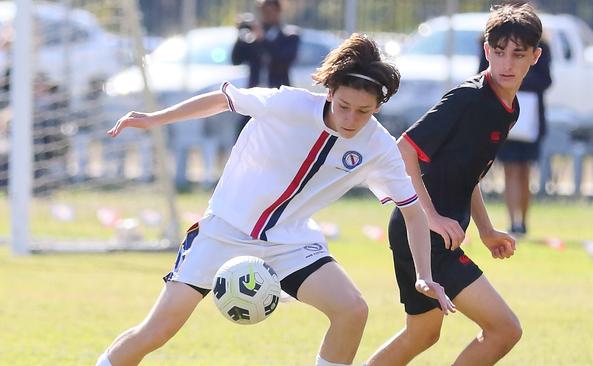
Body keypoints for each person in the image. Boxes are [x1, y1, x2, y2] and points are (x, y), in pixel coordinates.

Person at [96, 34, 454, 366]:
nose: (351, 119)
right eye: (345, 105)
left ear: (377, 107)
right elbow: (224, 98)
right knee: (157, 331)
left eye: (364, 111)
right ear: (330, 91)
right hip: (223, 231)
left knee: (352, 311)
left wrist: (424, 275)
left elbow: (412, 211)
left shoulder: (378, 146)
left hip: (290, 242)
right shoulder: (288, 103)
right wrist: (154, 119)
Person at [367, 3, 543, 365]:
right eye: (498, 52)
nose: (506, 63)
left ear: (535, 57)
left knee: (422, 334)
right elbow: (404, 149)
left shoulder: (508, 107)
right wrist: (430, 217)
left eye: (517, 54)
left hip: (426, 230)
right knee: (504, 329)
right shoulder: (470, 97)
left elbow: (469, 174)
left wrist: (487, 229)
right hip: (424, 234)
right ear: (486, 51)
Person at [479, 36, 552, 236]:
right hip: (503, 113)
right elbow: (482, 75)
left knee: (525, 170)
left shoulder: (540, 44)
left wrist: (516, 77)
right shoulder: (490, 41)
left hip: (531, 120)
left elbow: (545, 80)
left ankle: (524, 221)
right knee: (510, 169)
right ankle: (513, 222)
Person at [231, 0, 300, 134]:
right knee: (243, 133)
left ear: (278, 11)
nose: (267, 15)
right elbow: (236, 59)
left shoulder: (290, 36)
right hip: (253, 96)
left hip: (279, 97)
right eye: (264, 11)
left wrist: (262, 39)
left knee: (279, 135)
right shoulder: (252, 36)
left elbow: (281, 59)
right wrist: (240, 35)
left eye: (270, 11)